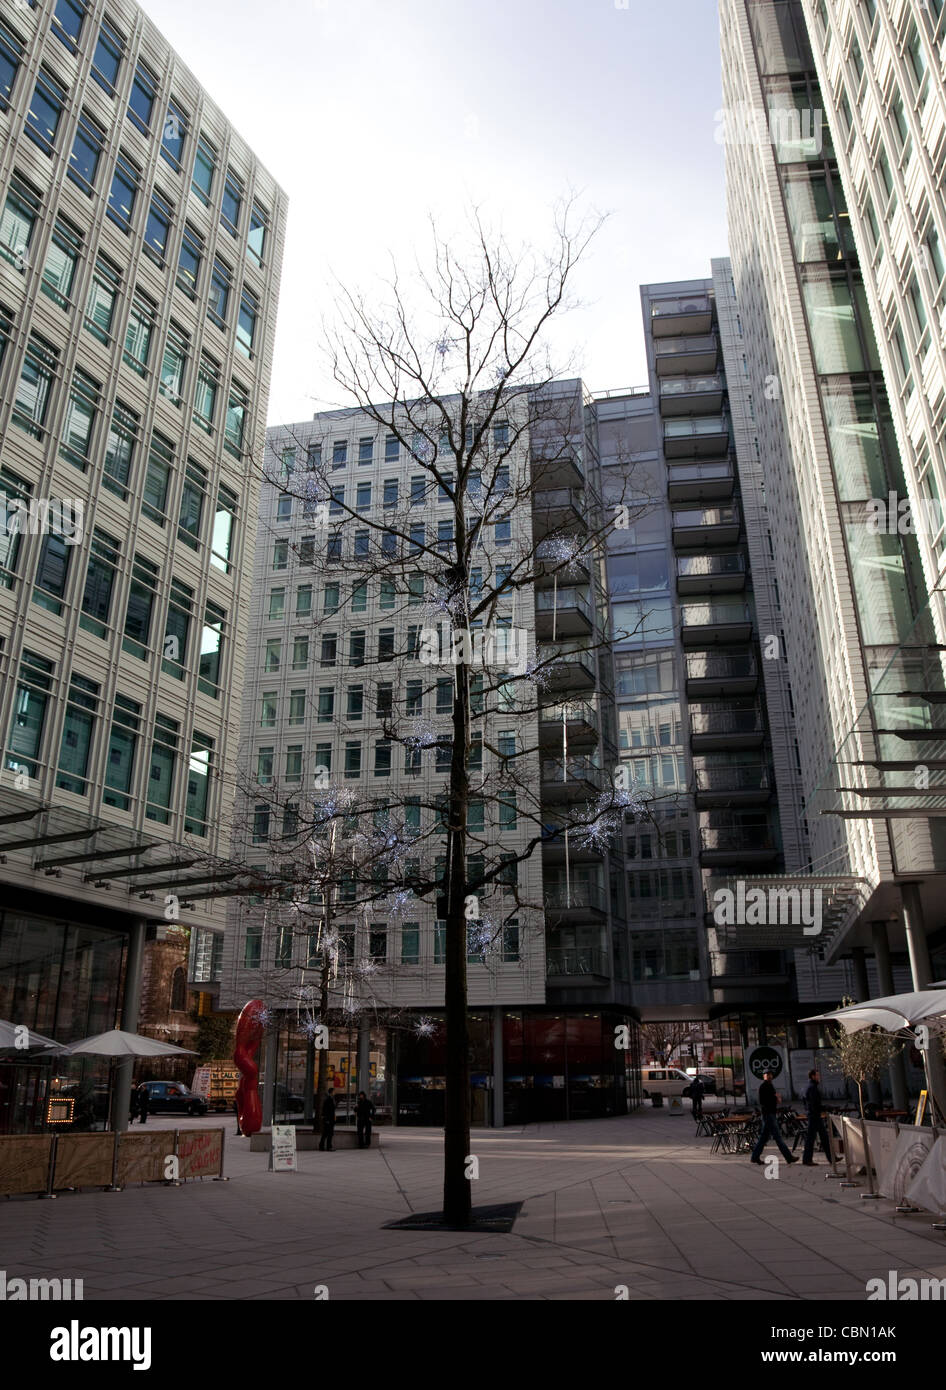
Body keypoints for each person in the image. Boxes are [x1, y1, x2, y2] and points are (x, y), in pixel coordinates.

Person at [750, 1070, 797, 1165]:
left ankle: (755, 1157)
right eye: (767, 1075)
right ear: (764, 1076)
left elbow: (772, 1099)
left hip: (769, 1114)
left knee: (763, 1138)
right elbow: (764, 1101)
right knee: (778, 1137)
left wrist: (776, 1098)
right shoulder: (764, 1086)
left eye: (770, 1074)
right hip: (769, 1115)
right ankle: (789, 1157)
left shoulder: (769, 1086)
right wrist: (776, 1098)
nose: (769, 1076)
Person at [802, 1068, 832, 1166]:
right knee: (812, 1138)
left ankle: (832, 1158)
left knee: (823, 1137)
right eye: (817, 1075)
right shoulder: (812, 1088)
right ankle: (807, 1159)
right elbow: (814, 1104)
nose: (819, 1077)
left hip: (813, 1115)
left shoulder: (809, 1086)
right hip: (814, 1116)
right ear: (813, 1076)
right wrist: (824, 1108)